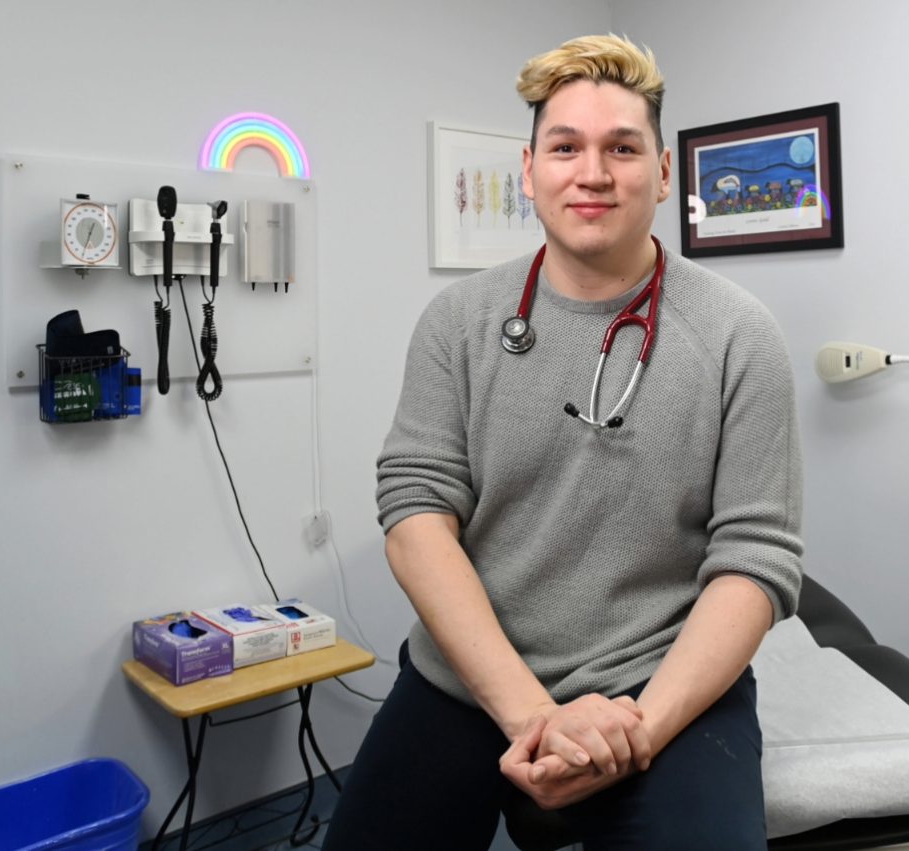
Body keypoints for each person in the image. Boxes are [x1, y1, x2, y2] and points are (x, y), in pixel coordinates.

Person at [323, 34, 803, 851]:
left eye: (623, 147)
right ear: (529, 170)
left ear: (659, 173)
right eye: (565, 146)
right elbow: (414, 512)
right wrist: (533, 713)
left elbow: (757, 560)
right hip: (469, 679)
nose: (592, 172)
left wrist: (638, 729)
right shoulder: (459, 323)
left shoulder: (739, 336)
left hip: (661, 687)